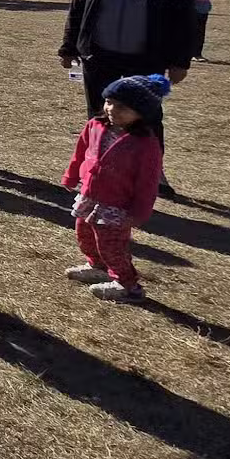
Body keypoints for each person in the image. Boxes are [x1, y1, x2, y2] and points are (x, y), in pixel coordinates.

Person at [58, 0, 193, 192]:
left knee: (148, 116)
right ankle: (97, 167)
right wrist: (68, 47)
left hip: (145, 58)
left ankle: (154, 173)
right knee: (100, 114)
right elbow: (78, 11)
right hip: (100, 56)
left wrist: (180, 61)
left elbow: (185, 21)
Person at [60, 74, 169, 303]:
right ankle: (96, 265)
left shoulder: (145, 144)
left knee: (111, 244)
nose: (112, 109)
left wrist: (139, 212)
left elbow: (147, 183)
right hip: (89, 195)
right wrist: (71, 176)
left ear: (142, 112)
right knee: (85, 234)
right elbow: (81, 152)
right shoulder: (96, 125)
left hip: (116, 205)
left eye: (122, 106)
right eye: (109, 102)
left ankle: (127, 284)